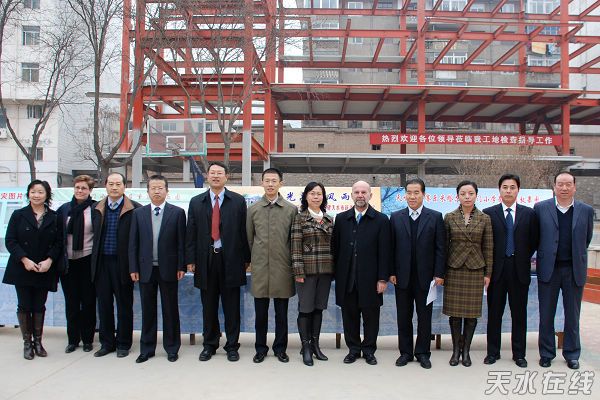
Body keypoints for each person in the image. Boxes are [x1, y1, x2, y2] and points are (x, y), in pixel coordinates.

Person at [186, 162, 250, 362]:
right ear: (207, 176)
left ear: (226, 177)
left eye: (219, 173)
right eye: (212, 173)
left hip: (231, 260)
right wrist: (190, 259)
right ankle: (209, 344)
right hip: (205, 261)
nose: (215, 176)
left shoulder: (238, 201)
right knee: (208, 305)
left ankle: (232, 345)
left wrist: (246, 258)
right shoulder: (196, 202)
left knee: (232, 306)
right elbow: (191, 233)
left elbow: (244, 232)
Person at [535, 171, 594, 370]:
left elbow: (586, 239)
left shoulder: (585, 211)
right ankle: (546, 354)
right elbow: (536, 237)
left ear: (575, 187)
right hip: (549, 270)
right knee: (546, 315)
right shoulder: (541, 208)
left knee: (572, 315)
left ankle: (572, 354)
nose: (564, 188)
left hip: (573, 269)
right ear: (554, 187)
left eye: (568, 184)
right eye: (560, 184)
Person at [332, 180, 391, 366]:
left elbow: (385, 252)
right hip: (347, 279)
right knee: (349, 317)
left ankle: (369, 350)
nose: (360, 195)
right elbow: (335, 249)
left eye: (364, 192)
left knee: (371, 318)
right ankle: (353, 350)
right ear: (351, 195)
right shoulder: (341, 219)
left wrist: (383, 278)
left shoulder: (381, 220)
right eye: (356, 192)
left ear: (370, 195)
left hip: (371, 280)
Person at [483, 174, 538, 368]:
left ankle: (519, 354)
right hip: (496, 272)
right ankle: (493, 352)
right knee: (494, 314)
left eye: (512, 187)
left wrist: (520, 256)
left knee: (519, 314)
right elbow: (485, 243)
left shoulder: (529, 214)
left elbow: (533, 241)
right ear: (499, 190)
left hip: (519, 271)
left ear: (518, 190)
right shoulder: (488, 213)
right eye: (505, 187)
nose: (508, 191)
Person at [390, 178, 446, 369]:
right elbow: (391, 248)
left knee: (424, 317)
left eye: (416, 192)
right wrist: (391, 272)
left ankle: (422, 352)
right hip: (402, 277)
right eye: (409, 192)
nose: (412, 196)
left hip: (426, 278)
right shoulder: (396, 217)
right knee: (403, 317)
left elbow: (440, 248)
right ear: (404, 194)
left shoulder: (435, 217)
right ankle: (405, 352)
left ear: (423, 194)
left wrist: (439, 273)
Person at [3, 180, 63, 359]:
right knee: (24, 305)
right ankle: (27, 343)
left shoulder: (54, 217)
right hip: (22, 268)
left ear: (47, 195)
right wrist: (24, 259)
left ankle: (38, 341)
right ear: (28, 194)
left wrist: (50, 260)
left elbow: (59, 242)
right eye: (33, 192)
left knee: (39, 305)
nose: (36, 195)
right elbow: (10, 240)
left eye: (40, 192)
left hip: (44, 268)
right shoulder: (18, 215)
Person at [129, 175, 186, 363]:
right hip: (145, 269)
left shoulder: (177, 213)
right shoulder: (138, 214)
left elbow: (181, 242)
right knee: (148, 310)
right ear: (147, 191)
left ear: (167, 191)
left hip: (169, 268)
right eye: (153, 188)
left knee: (170, 310)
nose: (157, 191)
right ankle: (147, 348)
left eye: (160, 187)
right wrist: (133, 267)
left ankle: (172, 348)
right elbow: (133, 244)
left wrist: (181, 265)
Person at [247, 167, 298, 363]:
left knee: (281, 314)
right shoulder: (253, 209)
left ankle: (280, 349)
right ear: (262, 183)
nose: (270, 184)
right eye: (267, 180)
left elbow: (293, 240)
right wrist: (255, 259)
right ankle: (260, 348)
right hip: (260, 269)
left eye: (274, 181)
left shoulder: (291, 210)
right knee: (260, 314)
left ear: (280, 183)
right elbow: (249, 238)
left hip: (282, 269)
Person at [90, 172, 141, 358]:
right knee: (104, 305)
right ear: (105, 185)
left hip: (123, 264)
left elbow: (138, 240)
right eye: (111, 184)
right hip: (102, 263)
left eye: (118, 184)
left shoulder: (135, 209)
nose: (114, 187)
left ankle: (123, 344)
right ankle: (107, 343)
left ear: (124, 186)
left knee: (124, 305)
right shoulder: (97, 208)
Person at [443, 180, 493, 367]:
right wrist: (441, 272)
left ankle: (466, 352)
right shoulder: (449, 217)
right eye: (463, 193)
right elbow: (444, 247)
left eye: (470, 193)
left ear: (476, 195)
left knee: (471, 315)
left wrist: (488, 273)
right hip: (454, 269)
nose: (467, 197)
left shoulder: (484, 218)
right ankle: (456, 350)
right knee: (455, 315)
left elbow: (488, 247)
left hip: (475, 269)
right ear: (457, 196)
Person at [291, 182, 334, 366]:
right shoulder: (300, 218)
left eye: (319, 194)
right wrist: (298, 271)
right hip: (306, 272)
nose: (316, 197)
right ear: (306, 196)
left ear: (323, 197)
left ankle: (315, 345)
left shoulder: (329, 219)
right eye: (312, 193)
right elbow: (295, 247)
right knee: (305, 309)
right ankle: (306, 347)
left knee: (318, 308)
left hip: (325, 271)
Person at [56, 175, 98, 354]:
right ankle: (73, 340)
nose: (80, 191)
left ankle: (88, 339)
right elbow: (57, 236)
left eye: (84, 188)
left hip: (87, 261)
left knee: (88, 302)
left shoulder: (95, 209)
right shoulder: (64, 209)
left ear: (90, 191)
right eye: (78, 188)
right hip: (68, 263)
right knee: (71, 303)